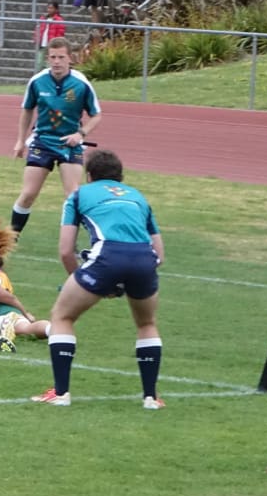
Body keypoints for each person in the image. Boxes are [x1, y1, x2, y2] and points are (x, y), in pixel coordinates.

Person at [31, 149, 166, 409]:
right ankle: (151, 397)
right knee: (147, 323)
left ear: (89, 175)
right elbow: (160, 255)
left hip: (107, 257)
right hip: (144, 260)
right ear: (121, 176)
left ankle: (61, 393)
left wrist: (82, 281)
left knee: (62, 316)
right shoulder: (138, 197)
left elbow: (65, 250)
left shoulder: (79, 195)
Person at [10, 36, 102, 235]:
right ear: (47, 59)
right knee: (28, 194)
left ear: (70, 58)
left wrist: (80, 133)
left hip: (69, 145)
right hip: (41, 142)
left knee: (72, 196)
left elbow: (96, 115)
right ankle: (11, 238)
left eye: (61, 57)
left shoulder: (81, 84)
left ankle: (70, 241)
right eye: (52, 57)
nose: (56, 62)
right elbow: (27, 110)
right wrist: (20, 141)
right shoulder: (37, 82)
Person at [34, 1, 66, 71]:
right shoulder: (43, 18)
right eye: (48, 8)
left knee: (50, 62)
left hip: (52, 44)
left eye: (51, 8)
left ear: (56, 10)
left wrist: (56, 43)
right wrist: (37, 39)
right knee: (39, 61)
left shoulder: (59, 20)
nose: (49, 10)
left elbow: (60, 33)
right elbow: (38, 30)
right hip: (42, 43)